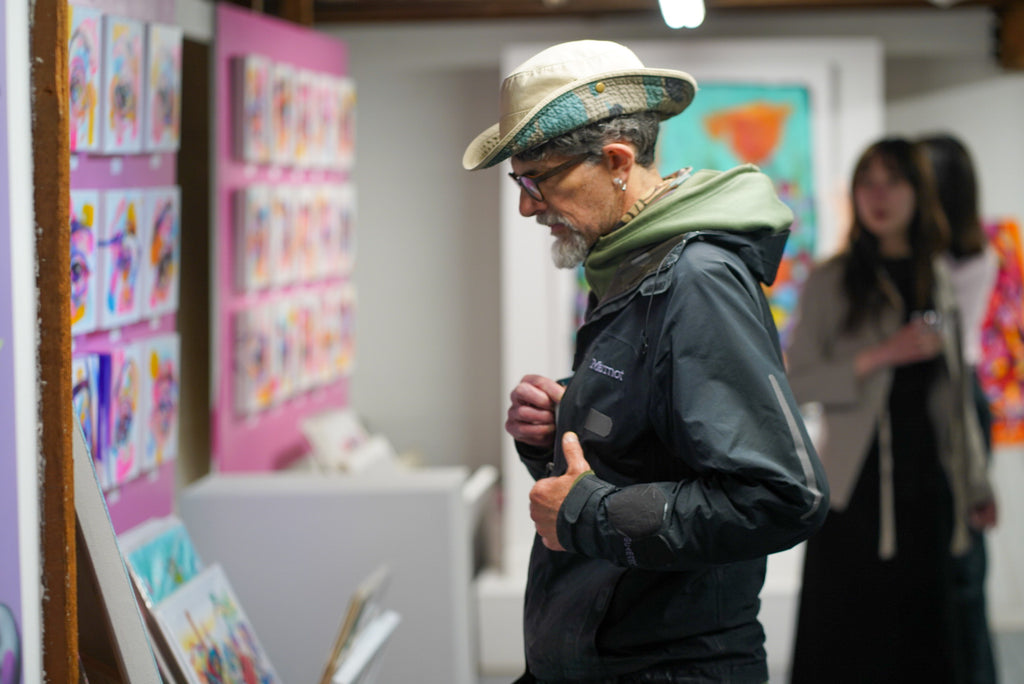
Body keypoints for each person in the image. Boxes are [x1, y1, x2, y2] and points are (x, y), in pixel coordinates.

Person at [463, 39, 829, 683]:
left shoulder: (696, 280)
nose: (526, 205)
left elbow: (780, 497)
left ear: (616, 161)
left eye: (538, 179)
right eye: (519, 181)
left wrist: (587, 513)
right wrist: (564, 421)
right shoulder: (630, 263)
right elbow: (661, 438)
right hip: (607, 649)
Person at [786, 137, 996, 684]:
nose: (878, 196)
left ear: (918, 192)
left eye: (893, 181)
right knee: (850, 648)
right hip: (856, 495)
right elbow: (795, 381)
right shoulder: (833, 280)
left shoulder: (937, 274)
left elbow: (953, 398)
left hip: (930, 491)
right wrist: (881, 355)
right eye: (867, 183)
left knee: (932, 648)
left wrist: (976, 483)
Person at [920, 132, 1000, 684]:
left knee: (960, 557)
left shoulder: (961, 258)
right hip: (942, 392)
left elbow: (934, 335)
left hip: (953, 396)